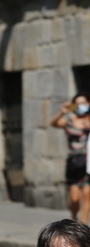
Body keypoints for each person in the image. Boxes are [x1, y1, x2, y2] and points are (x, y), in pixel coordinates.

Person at [49, 94, 90, 223]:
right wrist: (62, 112)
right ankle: (73, 220)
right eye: (77, 104)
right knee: (75, 198)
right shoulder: (70, 121)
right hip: (74, 163)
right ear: (73, 105)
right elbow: (54, 123)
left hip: (88, 163)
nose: (81, 106)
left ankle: (83, 227)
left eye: (84, 103)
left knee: (87, 195)